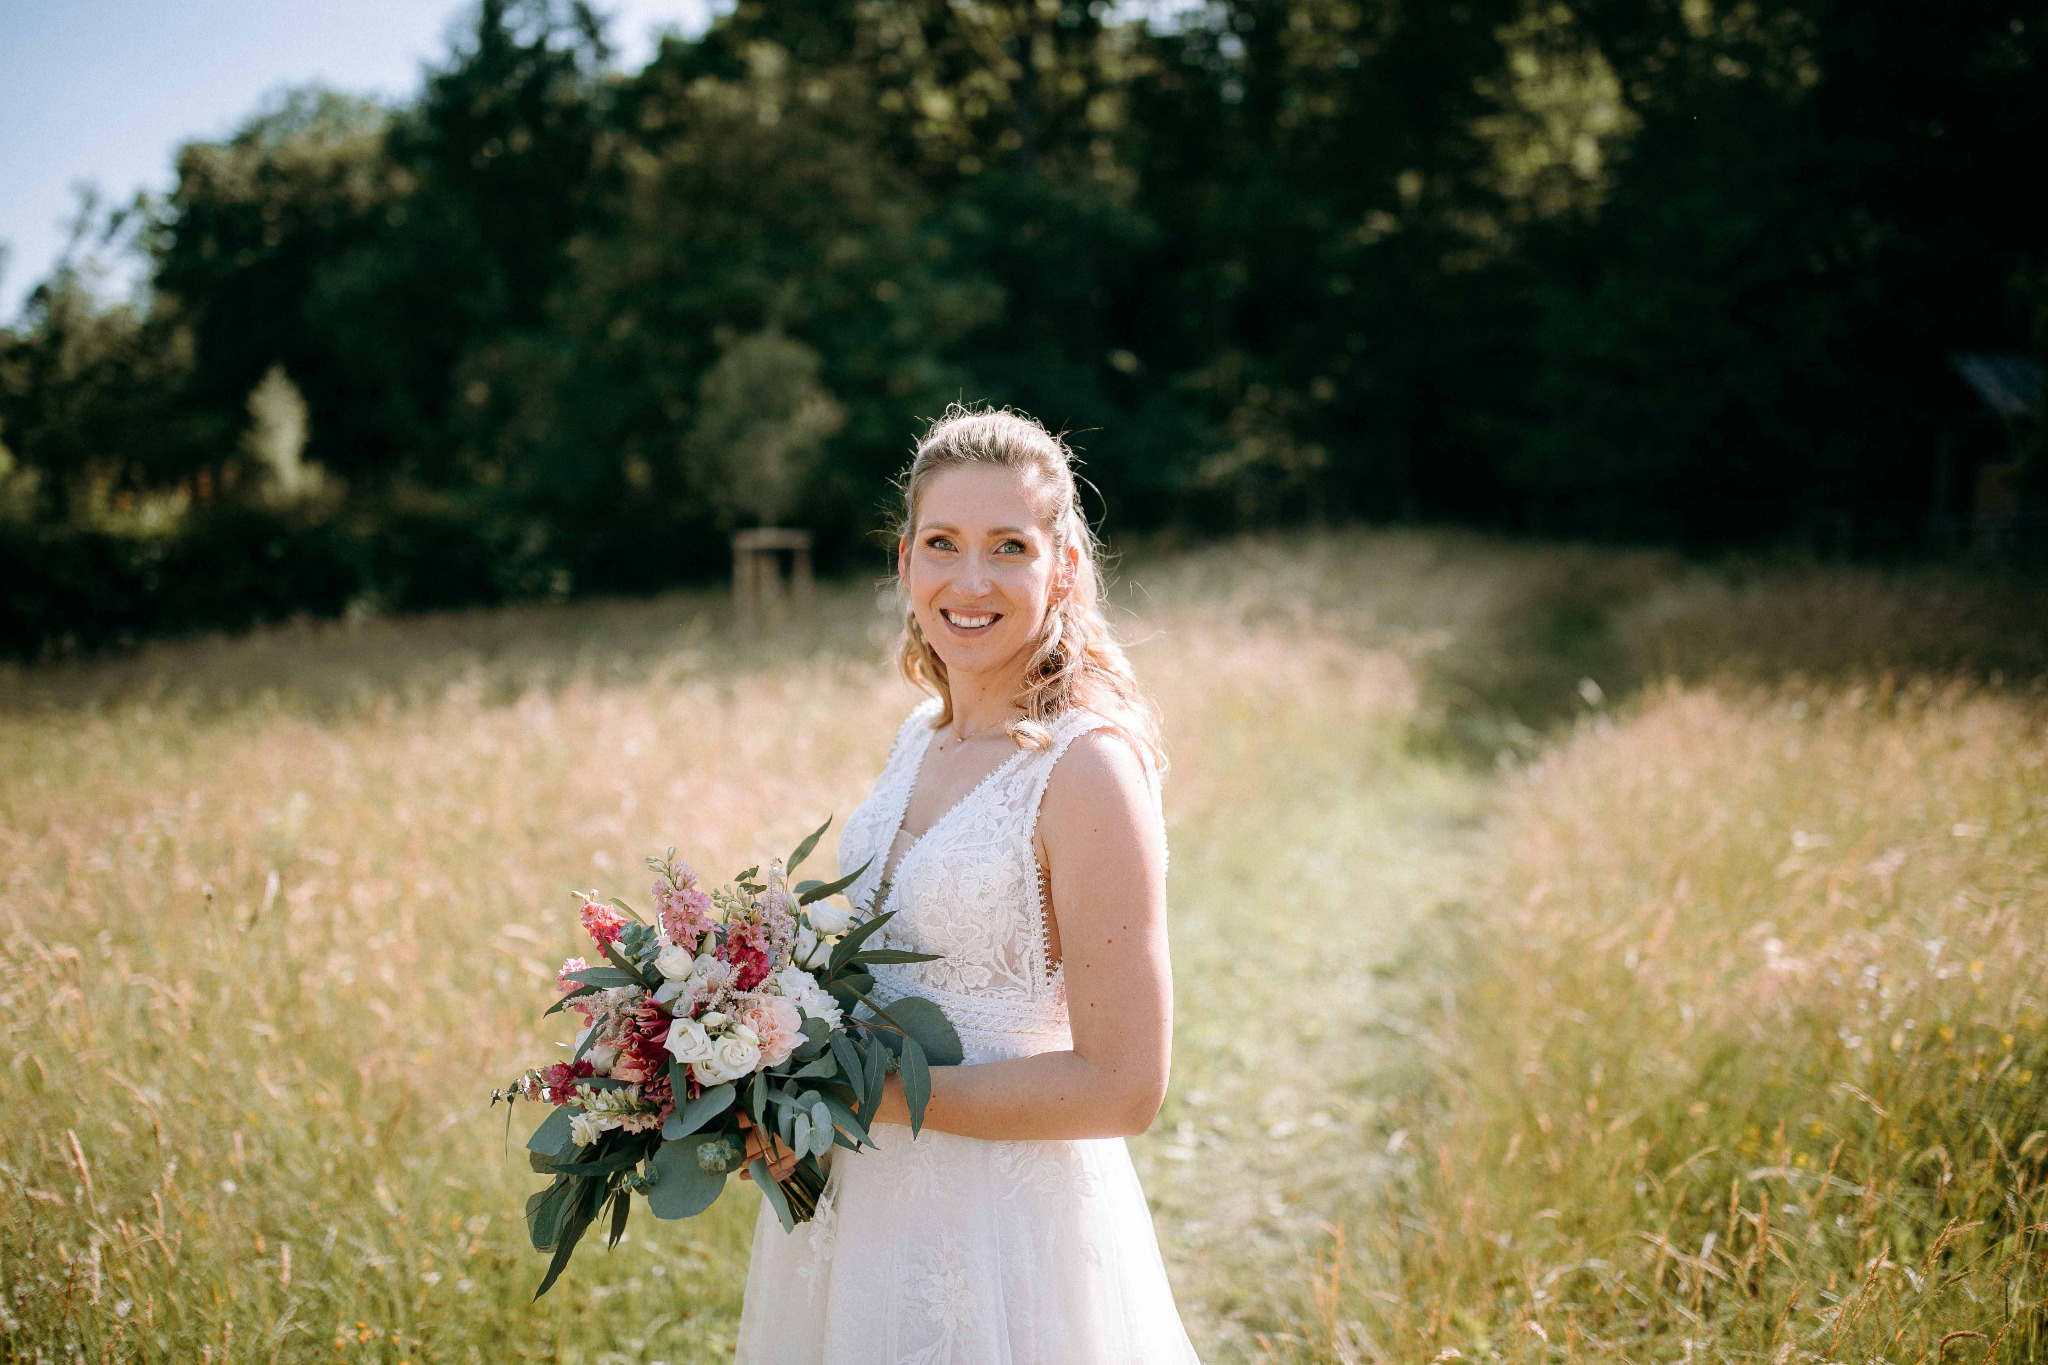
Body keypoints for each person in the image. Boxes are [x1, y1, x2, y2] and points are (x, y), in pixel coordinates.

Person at [733, 406, 1199, 1363]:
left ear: (1062, 566)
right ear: (904, 561)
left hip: (1003, 1241)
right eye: (942, 543)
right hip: (857, 1220)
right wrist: (777, 1085)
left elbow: (1124, 1088)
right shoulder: (919, 737)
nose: (970, 579)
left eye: (1009, 547)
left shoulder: (1088, 767)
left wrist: (870, 1095)